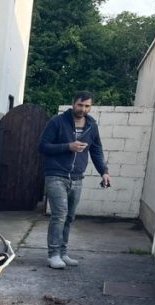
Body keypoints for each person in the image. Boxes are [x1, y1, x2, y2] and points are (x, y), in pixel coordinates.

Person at [38, 92, 111, 269]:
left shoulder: (91, 126)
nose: (83, 109)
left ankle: (63, 253)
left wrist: (104, 172)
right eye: (80, 105)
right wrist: (68, 146)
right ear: (73, 104)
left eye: (87, 106)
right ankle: (54, 254)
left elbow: (96, 150)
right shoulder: (57, 122)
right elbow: (43, 146)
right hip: (56, 174)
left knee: (69, 217)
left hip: (77, 177)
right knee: (60, 215)